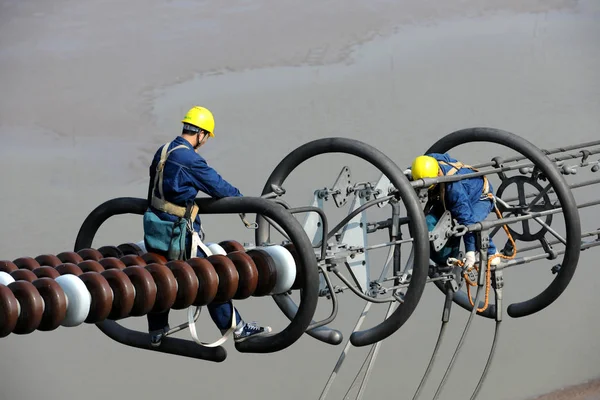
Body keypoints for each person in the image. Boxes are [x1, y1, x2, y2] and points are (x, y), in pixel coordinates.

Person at [143, 105, 271, 347]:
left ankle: (157, 330)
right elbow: (218, 186)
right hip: (176, 234)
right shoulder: (189, 158)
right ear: (200, 134)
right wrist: (242, 200)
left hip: (154, 229)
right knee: (212, 275)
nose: (204, 142)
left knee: (160, 274)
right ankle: (237, 328)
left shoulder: (164, 151)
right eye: (206, 137)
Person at [409, 153, 502, 270]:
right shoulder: (432, 161)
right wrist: (408, 172)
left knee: (476, 224)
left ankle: (493, 253)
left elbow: (467, 221)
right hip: (446, 196)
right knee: (429, 222)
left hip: (480, 198)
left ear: (437, 173)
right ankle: (445, 258)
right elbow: (420, 166)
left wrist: (470, 252)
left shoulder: (454, 191)